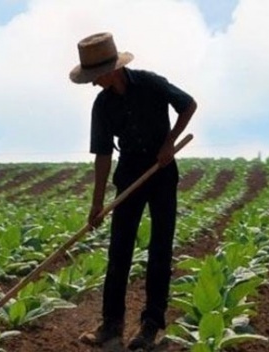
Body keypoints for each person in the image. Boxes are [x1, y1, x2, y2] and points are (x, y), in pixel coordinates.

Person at [69, 32, 197, 350]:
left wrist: (169, 143)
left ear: (111, 69)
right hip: (128, 174)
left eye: (95, 77)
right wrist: (96, 204)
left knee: (160, 250)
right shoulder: (102, 105)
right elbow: (102, 156)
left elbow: (188, 104)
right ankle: (112, 326)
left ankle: (150, 325)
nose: (93, 83)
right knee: (119, 251)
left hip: (162, 171)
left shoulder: (151, 83)